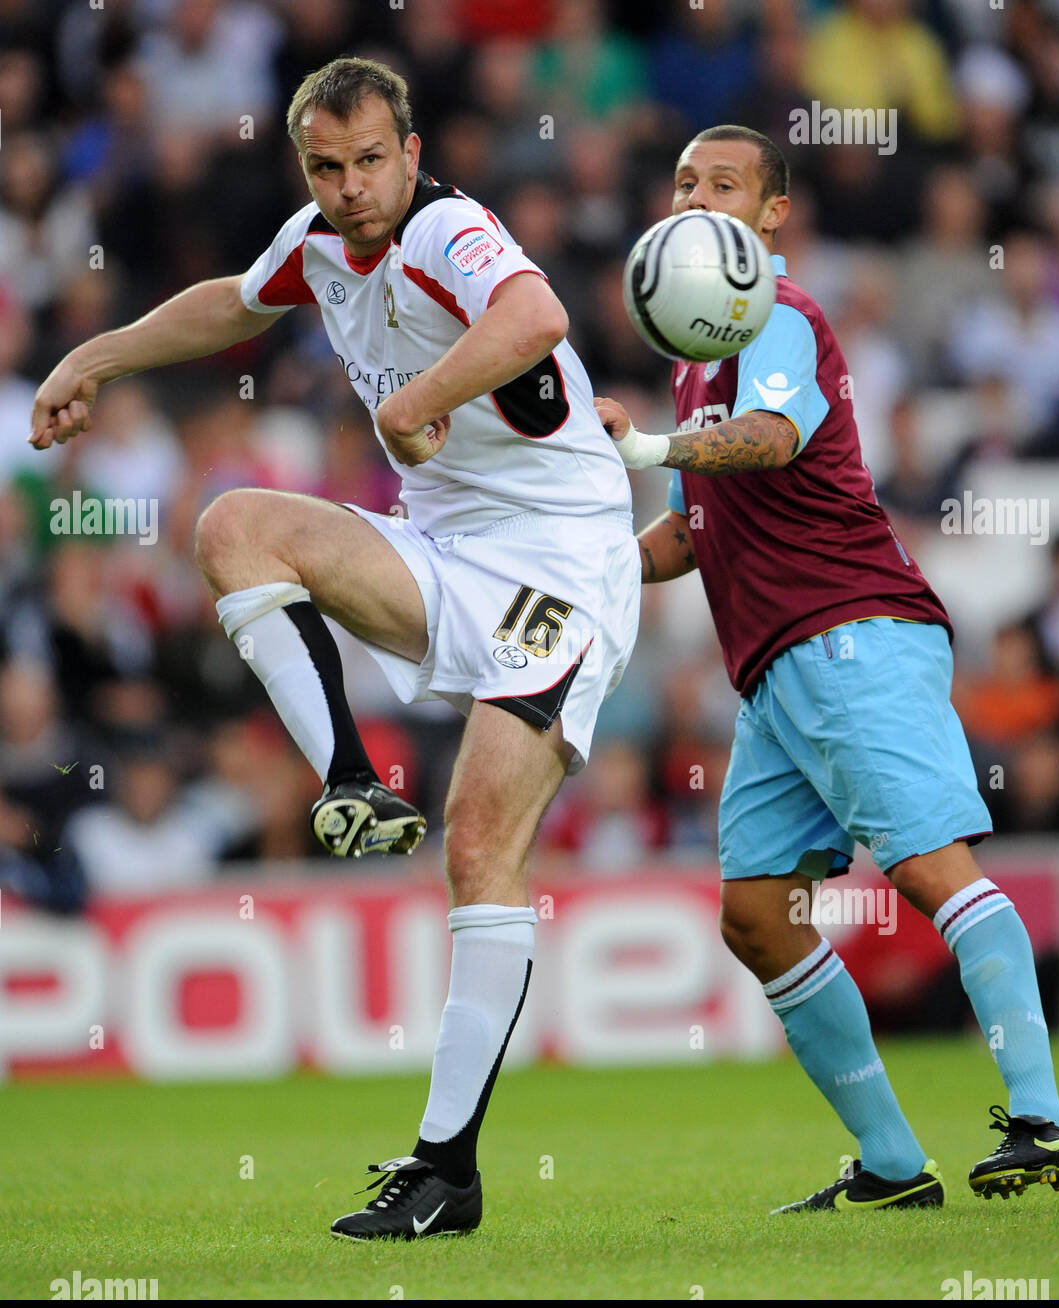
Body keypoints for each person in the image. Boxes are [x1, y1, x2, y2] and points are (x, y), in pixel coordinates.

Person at [30, 57, 640, 1239]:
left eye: (371, 161)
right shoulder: (320, 240)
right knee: (234, 524)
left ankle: (446, 1167)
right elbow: (235, 299)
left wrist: (415, 405)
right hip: (446, 545)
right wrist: (91, 359)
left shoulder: (450, 228)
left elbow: (537, 315)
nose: (352, 187)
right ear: (303, 165)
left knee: (477, 847)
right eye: (327, 167)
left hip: (559, 568)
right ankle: (351, 778)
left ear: (412, 153)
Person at [595, 124, 1059, 1211]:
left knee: (925, 865)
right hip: (777, 669)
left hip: (850, 625)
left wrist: (642, 453)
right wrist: (586, 570)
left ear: (774, 214)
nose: (695, 197)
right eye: (683, 181)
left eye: (724, 184)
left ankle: (1044, 1117)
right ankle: (892, 1164)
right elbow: (694, 529)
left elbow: (771, 439)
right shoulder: (692, 361)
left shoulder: (778, 313)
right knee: (756, 911)